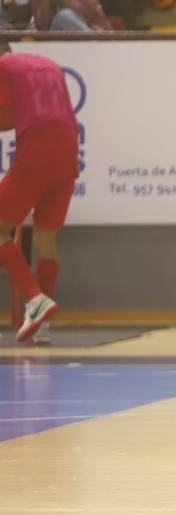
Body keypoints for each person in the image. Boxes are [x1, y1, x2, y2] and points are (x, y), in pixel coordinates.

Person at [0, 46, 80, 343]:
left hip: (37, 146)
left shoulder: (4, 66)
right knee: (46, 237)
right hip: (70, 147)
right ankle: (44, 325)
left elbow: (5, 117)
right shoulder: (49, 65)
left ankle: (35, 299)